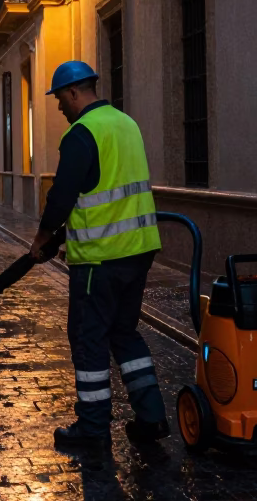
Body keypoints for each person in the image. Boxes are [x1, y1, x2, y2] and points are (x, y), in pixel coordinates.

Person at [30, 61, 169, 456]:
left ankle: (93, 429)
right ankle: (151, 417)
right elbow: (105, 187)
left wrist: (41, 238)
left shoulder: (82, 133)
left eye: (59, 99)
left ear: (74, 92)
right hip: (139, 251)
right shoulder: (126, 124)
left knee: (89, 340)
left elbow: (63, 195)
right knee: (124, 334)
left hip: (100, 260)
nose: (59, 107)